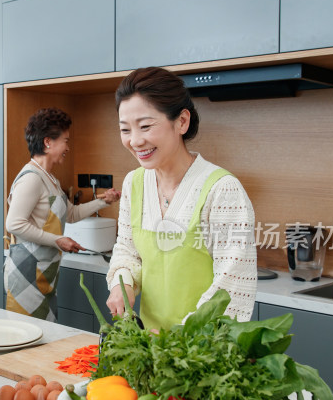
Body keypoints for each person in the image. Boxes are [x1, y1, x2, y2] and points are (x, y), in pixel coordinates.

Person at [106, 66, 257, 329]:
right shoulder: (135, 182)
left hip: (203, 353)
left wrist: (178, 341)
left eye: (145, 126)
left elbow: (230, 287)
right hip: (151, 351)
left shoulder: (222, 189)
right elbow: (127, 250)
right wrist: (124, 282)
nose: (135, 141)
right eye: (125, 130)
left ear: (182, 122)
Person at [4, 107, 121, 322]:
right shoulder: (31, 178)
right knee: (29, 341)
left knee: (44, 339)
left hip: (44, 272)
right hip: (27, 274)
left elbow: (73, 214)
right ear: (48, 142)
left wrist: (103, 201)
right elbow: (14, 224)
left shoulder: (50, 178)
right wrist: (58, 240)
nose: (68, 147)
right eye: (65, 141)